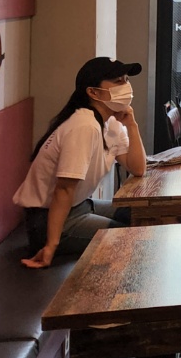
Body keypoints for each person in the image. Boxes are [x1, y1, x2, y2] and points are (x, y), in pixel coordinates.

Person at [14, 56, 146, 268]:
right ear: (93, 92)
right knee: (131, 238)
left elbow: (138, 168)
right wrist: (50, 246)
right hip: (50, 221)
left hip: (81, 206)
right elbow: (64, 189)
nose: (126, 86)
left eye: (126, 79)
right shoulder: (84, 125)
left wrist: (132, 125)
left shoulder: (111, 122)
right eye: (117, 81)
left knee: (142, 216)